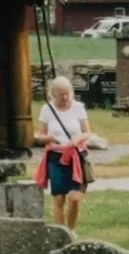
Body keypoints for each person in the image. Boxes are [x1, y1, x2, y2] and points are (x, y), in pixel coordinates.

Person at [34, 75, 92, 228]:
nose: (65, 97)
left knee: (74, 198)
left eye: (67, 93)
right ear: (53, 94)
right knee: (58, 198)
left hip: (75, 157)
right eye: (61, 95)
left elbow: (87, 132)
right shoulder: (47, 109)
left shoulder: (78, 107)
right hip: (55, 157)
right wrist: (49, 138)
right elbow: (41, 135)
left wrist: (78, 138)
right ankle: (61, 234)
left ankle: (71, 230)